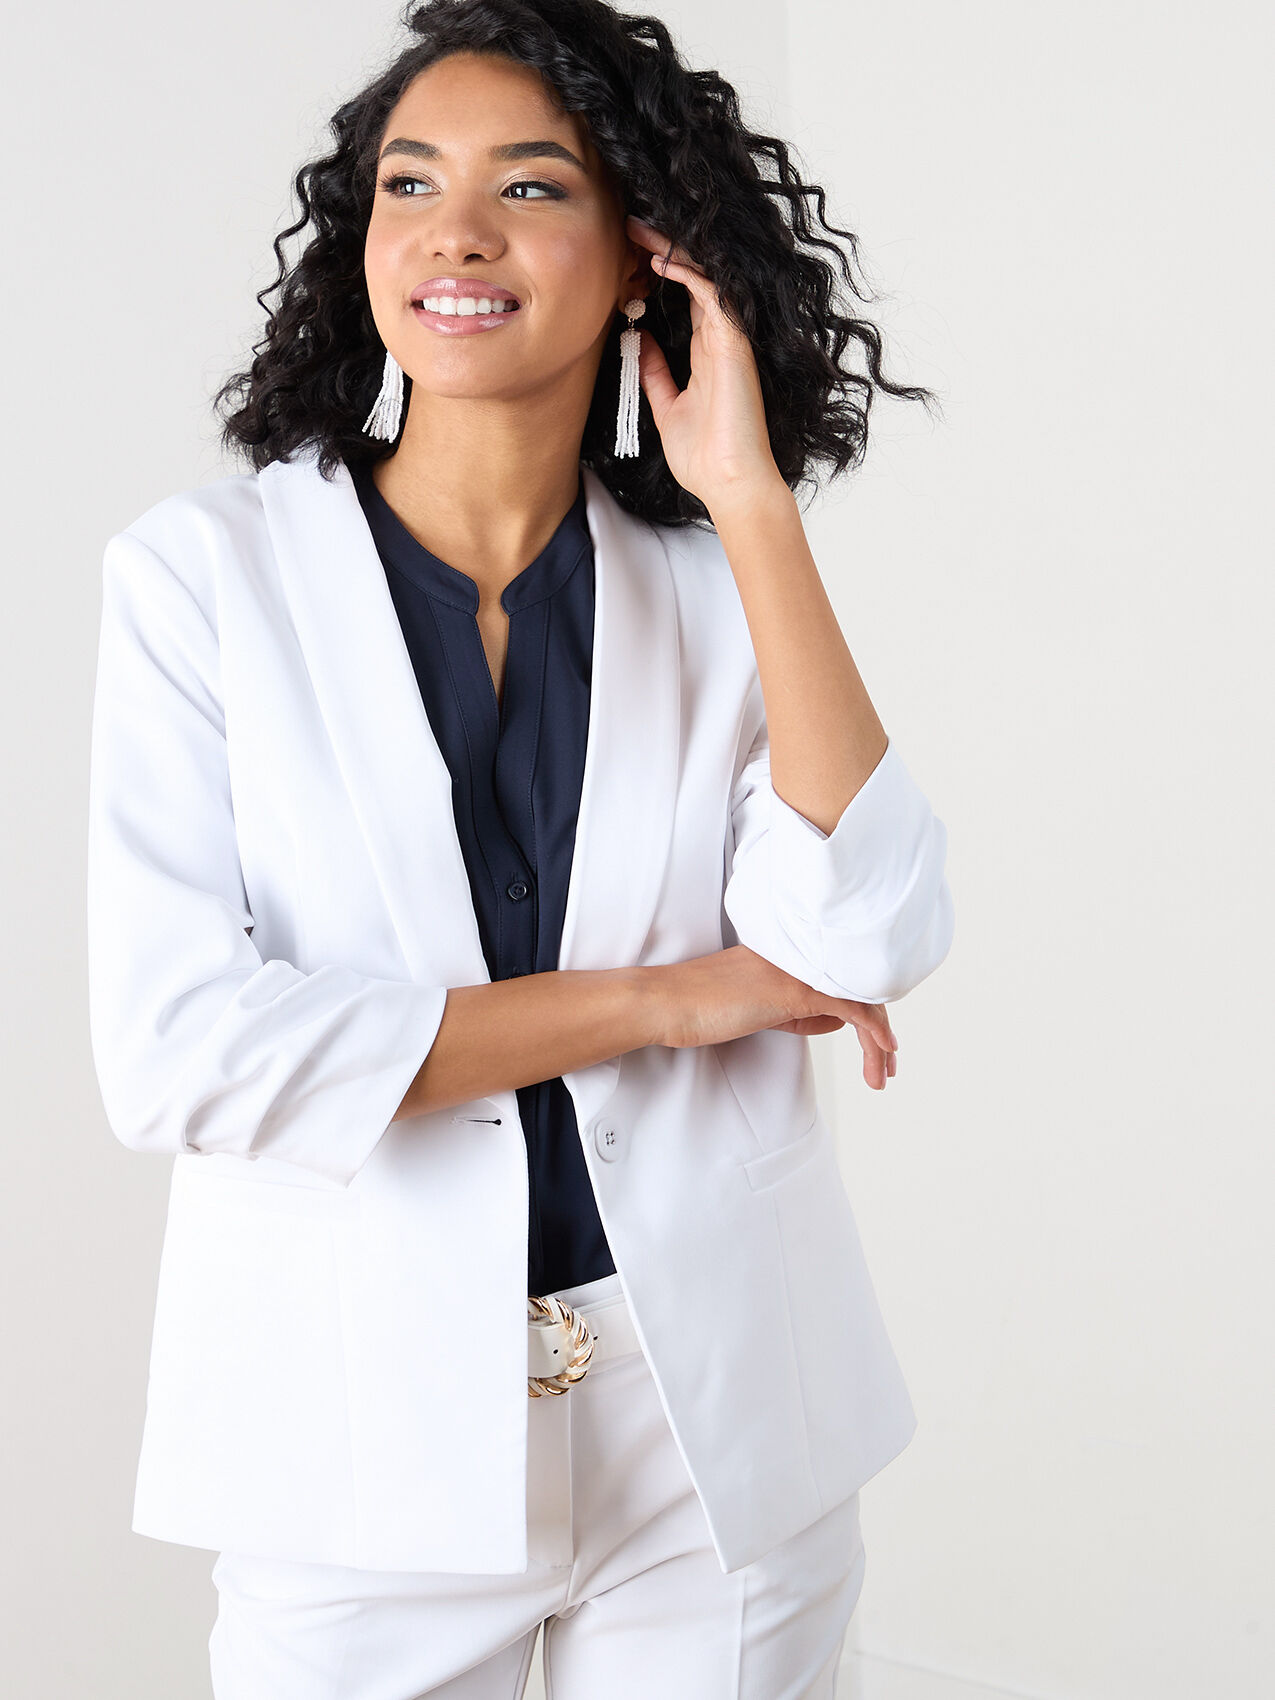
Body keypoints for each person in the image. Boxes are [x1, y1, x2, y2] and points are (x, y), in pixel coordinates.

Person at [86, 1, 955, 1693]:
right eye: (409, 184)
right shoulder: (202, 582)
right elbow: (180, 1054)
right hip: (355, 1437)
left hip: (709, 1429)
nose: (456, 233)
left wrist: (754, 501)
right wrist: (667, 998)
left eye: (532, 187)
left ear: (642, 257)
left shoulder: (716, 585)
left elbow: (865, 937)